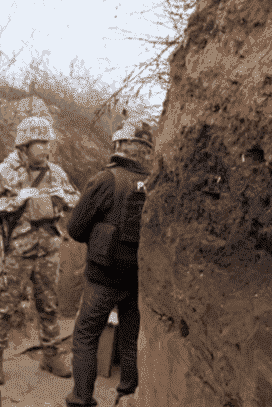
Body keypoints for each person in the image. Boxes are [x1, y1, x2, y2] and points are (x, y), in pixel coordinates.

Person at [0, 116, 80, 384]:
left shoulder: (55, 172)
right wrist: (13, 201)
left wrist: (62, 198)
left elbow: (75, 198)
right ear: (23, 146)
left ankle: (51, 354)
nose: (47, 148)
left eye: (48, 142)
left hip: (48, 249)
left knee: (49, 305)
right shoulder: (3, 172)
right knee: (4, 306)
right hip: (17, 252)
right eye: (40, 143)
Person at [65, 122, 154, 407]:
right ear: (147, 150)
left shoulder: (107, 179)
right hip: (138, 278)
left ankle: (81, 399)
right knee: (130, 339)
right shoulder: (156, 183)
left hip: (103, 276)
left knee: (86, 336)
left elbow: (75, 229)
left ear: (118, 146)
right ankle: (127, 395)